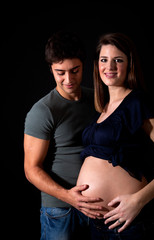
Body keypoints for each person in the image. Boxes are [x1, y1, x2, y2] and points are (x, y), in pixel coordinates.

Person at [77, 32, 154, 239]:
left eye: (118, 60)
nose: (110, 67)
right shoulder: (103, 109)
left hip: (126, 226)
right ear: (97, 65)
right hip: (94, 225)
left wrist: (138, 201)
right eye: (104, 60)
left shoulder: (138, 102)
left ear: (129, 64)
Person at [24, 30, 102, 240]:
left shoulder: (97, 99)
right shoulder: (43, 111)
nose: (68, 79)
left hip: (98, 208)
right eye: (61, 72)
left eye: (74, 70)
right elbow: (31, 170)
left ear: (83, 65)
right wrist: (68, 197)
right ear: (51, 69)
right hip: (61, 210)